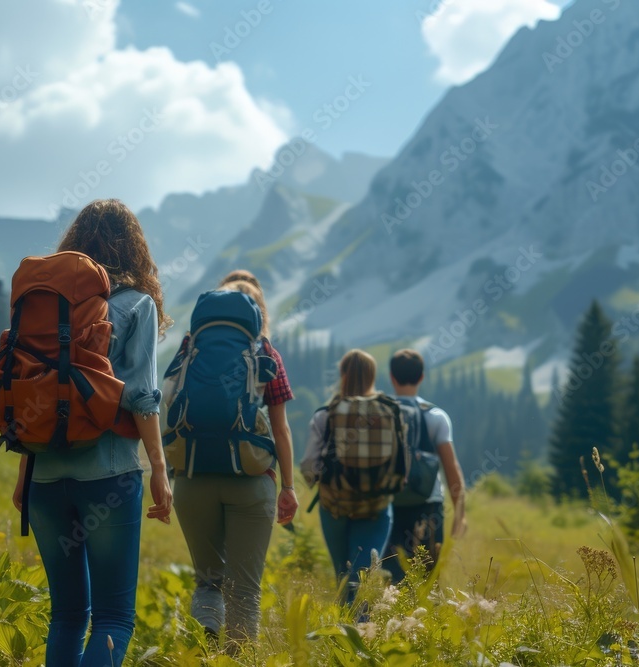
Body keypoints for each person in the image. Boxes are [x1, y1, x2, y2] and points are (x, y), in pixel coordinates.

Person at [11, 199, 173, 666]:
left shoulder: (43, 306)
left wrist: (26, 471)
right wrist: (159, 471)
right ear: (134, 249)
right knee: (114, 617)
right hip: (109, 475)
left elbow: (36, 393)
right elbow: (142, 396)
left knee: (66, 615)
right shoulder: (136, 305)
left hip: (43, 476)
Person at [171, 271, 298, 645]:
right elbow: (281, 429)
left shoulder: (189, 347)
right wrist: (288, 487)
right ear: (257, 313)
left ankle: (207, 640)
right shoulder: (266, 353)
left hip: (192, 478)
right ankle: (237, 656)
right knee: (244, 590)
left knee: (208, 581)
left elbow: (168, 399)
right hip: (251, 481)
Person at [301, 349, 401, 602]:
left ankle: (344, 628)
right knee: (364, 572)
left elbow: (309, 466)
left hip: (335, 504)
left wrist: (318, 481)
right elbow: (401, 461)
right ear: (372, 376)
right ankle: (362, 627)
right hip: (376, 504)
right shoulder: (390, 410)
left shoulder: (326, 414)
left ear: (343, 375)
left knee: (343, 573)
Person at [382, 349, 466, 583]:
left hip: (388, 503)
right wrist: (460, 511)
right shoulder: (436, 416)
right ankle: (423, 619)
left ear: (391, 377)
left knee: (390, 579)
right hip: (428, 506)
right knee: (426, 579)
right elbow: (451, 467)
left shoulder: (381, 412)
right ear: (421, 377)